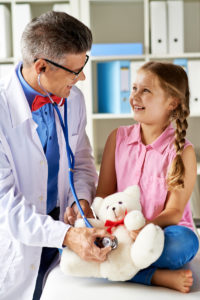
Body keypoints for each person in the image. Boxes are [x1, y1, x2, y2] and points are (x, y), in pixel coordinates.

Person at [0, 11, 112, 300]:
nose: (83, 76)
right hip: (17, 245)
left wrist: (82, 199)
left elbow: (83, 161)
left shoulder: (73, 99)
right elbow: (4, 205)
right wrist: (65, 236)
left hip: (63, 239)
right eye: (75, 70)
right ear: (41, 67)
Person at [96, 61, 199, 293]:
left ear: (172, 102)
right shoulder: (117, 138)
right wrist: (116, 229)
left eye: (146, 91)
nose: (135, 96)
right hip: (120, 231)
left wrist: (144, 230)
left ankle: (121, 268)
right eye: (134, 88)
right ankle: (153, 276)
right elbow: (102, 195)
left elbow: (173, 212)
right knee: (68, 246)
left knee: (185, 243)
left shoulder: (183, 152)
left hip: (161, 232)